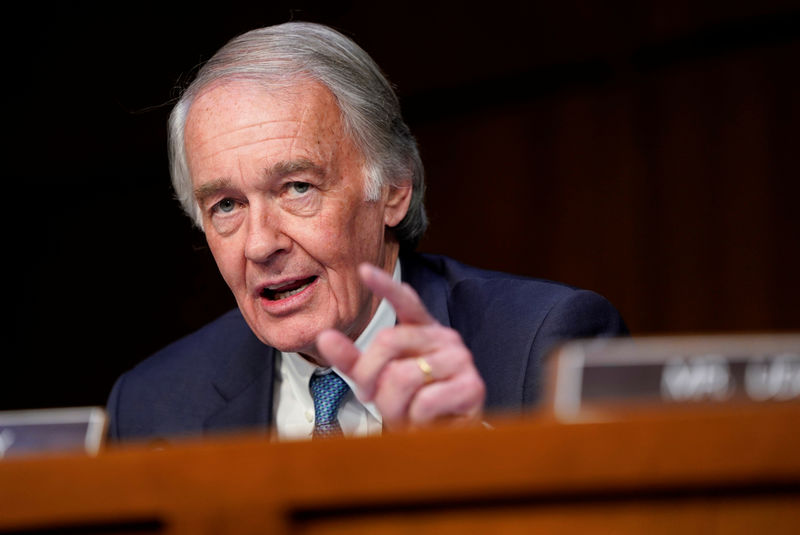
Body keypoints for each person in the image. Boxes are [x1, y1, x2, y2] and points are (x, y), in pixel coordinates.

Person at [107, 21, 628, 442]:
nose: (261, 243)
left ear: (394, 189)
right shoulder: (154, 405)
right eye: (226, 205)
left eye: (297, 188)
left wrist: (471, 456)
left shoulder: (548, 349)